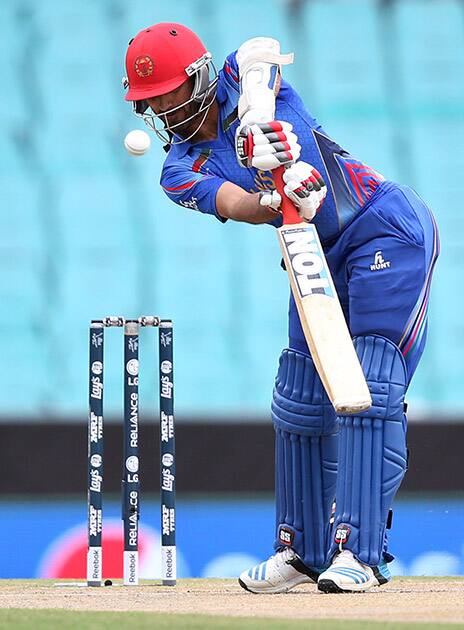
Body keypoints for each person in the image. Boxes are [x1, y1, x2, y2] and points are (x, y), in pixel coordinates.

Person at [123, 23, 439, 593]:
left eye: (169, 94)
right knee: (299, 396)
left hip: (382, 232)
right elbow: (239, 203)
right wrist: (272, 193)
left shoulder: (241, 83)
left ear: (197, 78)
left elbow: (260, 50)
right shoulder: (177, 170)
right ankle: (302, 551)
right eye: (151, 103)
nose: (163, 111)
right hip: (308, 249)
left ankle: (362, 552)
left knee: (367, 386)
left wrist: (255, 116)